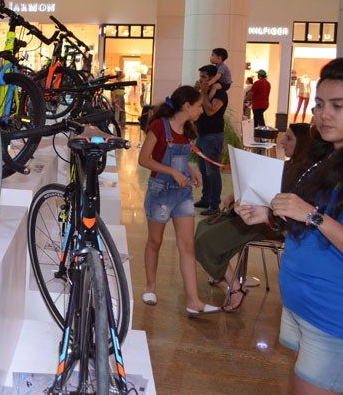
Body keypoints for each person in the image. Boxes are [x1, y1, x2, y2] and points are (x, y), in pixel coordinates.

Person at [235, 57, 343, 394]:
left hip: (331, 316)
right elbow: (309, 230)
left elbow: (316, 219)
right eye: (320, 104)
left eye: (338, 106)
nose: (325, 115)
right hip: (300, 303)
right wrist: (269, 216)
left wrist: (311, 214)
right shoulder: (324, 158)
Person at [194, 122, 313, 312]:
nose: (282, 141)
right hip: (259, 216)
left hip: (270, 224)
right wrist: (237, 194)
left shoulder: (306, 174)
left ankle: (234, 287)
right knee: (205, 227)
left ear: (303, 144)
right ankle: (221, 271)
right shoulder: (289, 167)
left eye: (289, 138)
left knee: (205, 239)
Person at [138, 85, 220, 317]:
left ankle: (194, 301)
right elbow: (144, 159)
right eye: (199, 106)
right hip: (161, 191)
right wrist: (172, 172)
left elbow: (180, 159)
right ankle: (150, 287)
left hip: (183, 193)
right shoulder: (159, 126)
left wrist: (191, 170)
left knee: (187, 245)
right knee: (155, 241)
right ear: (186, 106)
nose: (202, 110)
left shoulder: (188, 129)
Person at [194, 64, 227, 216]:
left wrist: (204, 93)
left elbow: (211, 111)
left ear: (212, 79)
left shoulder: (220, 94)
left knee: (212, 171)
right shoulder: (204, 92)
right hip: (202, 135)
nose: (201, 80)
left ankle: (214, 205)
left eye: (204, 77)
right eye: (200, 77)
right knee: (203, 170)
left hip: (213, 136)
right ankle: (206, 198)